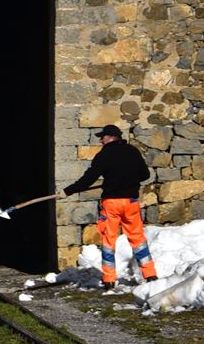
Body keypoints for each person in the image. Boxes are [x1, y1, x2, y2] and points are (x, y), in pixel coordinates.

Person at [62, 123, 157, 289]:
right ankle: (150, 275)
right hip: (131, 202)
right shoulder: (132, 151)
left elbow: (88, 180)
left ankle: (109, 279)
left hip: (112, 204)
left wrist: (67, 191)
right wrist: (128, 178)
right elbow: (145, 174)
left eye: (102, 136)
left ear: (111, 137)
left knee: (108, 241)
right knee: (138, 239)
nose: (100, 140)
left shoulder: (104, 154)